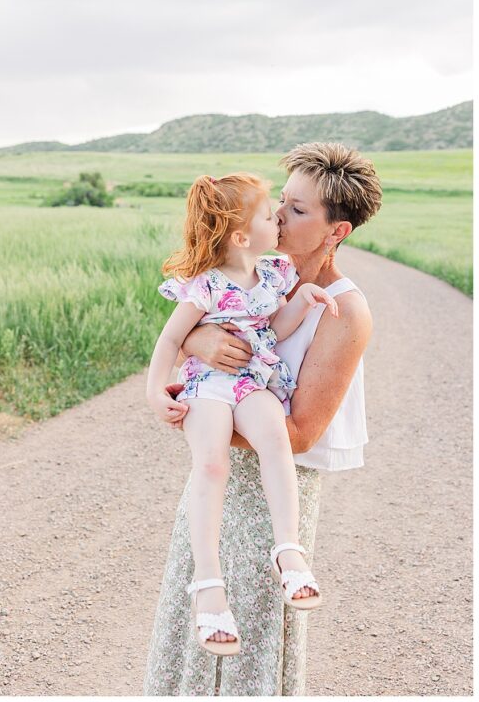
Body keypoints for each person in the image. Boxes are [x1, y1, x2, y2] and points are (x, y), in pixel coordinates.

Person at [144, 143, 382, 695]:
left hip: (270, 496)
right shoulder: (252, 276)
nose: (278, 214)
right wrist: (199, 342)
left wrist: (207, 412)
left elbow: (299, 432)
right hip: (212, 490)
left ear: (336, 231)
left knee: (250, 643)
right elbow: (188, 334)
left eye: (298, 210)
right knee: (194, 631)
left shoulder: (345, 309)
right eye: (280, 201)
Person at [145, 173, 336, 655]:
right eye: (270, 214)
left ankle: (288, 551)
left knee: (274, 440)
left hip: (251, 381)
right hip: (208, 387)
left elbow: (272, 326)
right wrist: (154, 392)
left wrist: (304, 300)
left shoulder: (273, 276)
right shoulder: (205, 287)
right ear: (240, 236)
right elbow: (170, 340)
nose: (278, 219)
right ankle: (209, 584)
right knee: (211, 464)